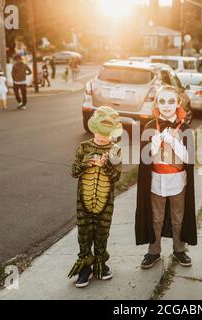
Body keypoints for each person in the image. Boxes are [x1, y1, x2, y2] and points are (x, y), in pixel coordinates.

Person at [135, 86, 196, 270]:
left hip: (178, 181)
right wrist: (154, 145)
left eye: (171, 101)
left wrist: (172, 141)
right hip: (155, 181)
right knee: (156, 218)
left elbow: (188, 158)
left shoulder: (185, 128)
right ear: (156, 104)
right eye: (162, 101)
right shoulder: (150, 127)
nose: (166, 105)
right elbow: (145, 158)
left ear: (178, 103)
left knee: (178, 217)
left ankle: (179, 249)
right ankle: (154, 251)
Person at [68, 106, 123, 288]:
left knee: (101, 234)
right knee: (84, 235)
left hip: (105, 204)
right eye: (99, 132)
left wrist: (107, 165)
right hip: (83, 203)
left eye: (106, 133)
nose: (102, 137)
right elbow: (73, 172)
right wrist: (85, 164)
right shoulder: (83, 147)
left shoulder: (115, 150)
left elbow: (116, 176)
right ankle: (85, 267)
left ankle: (100, 262)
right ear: (93, 128)